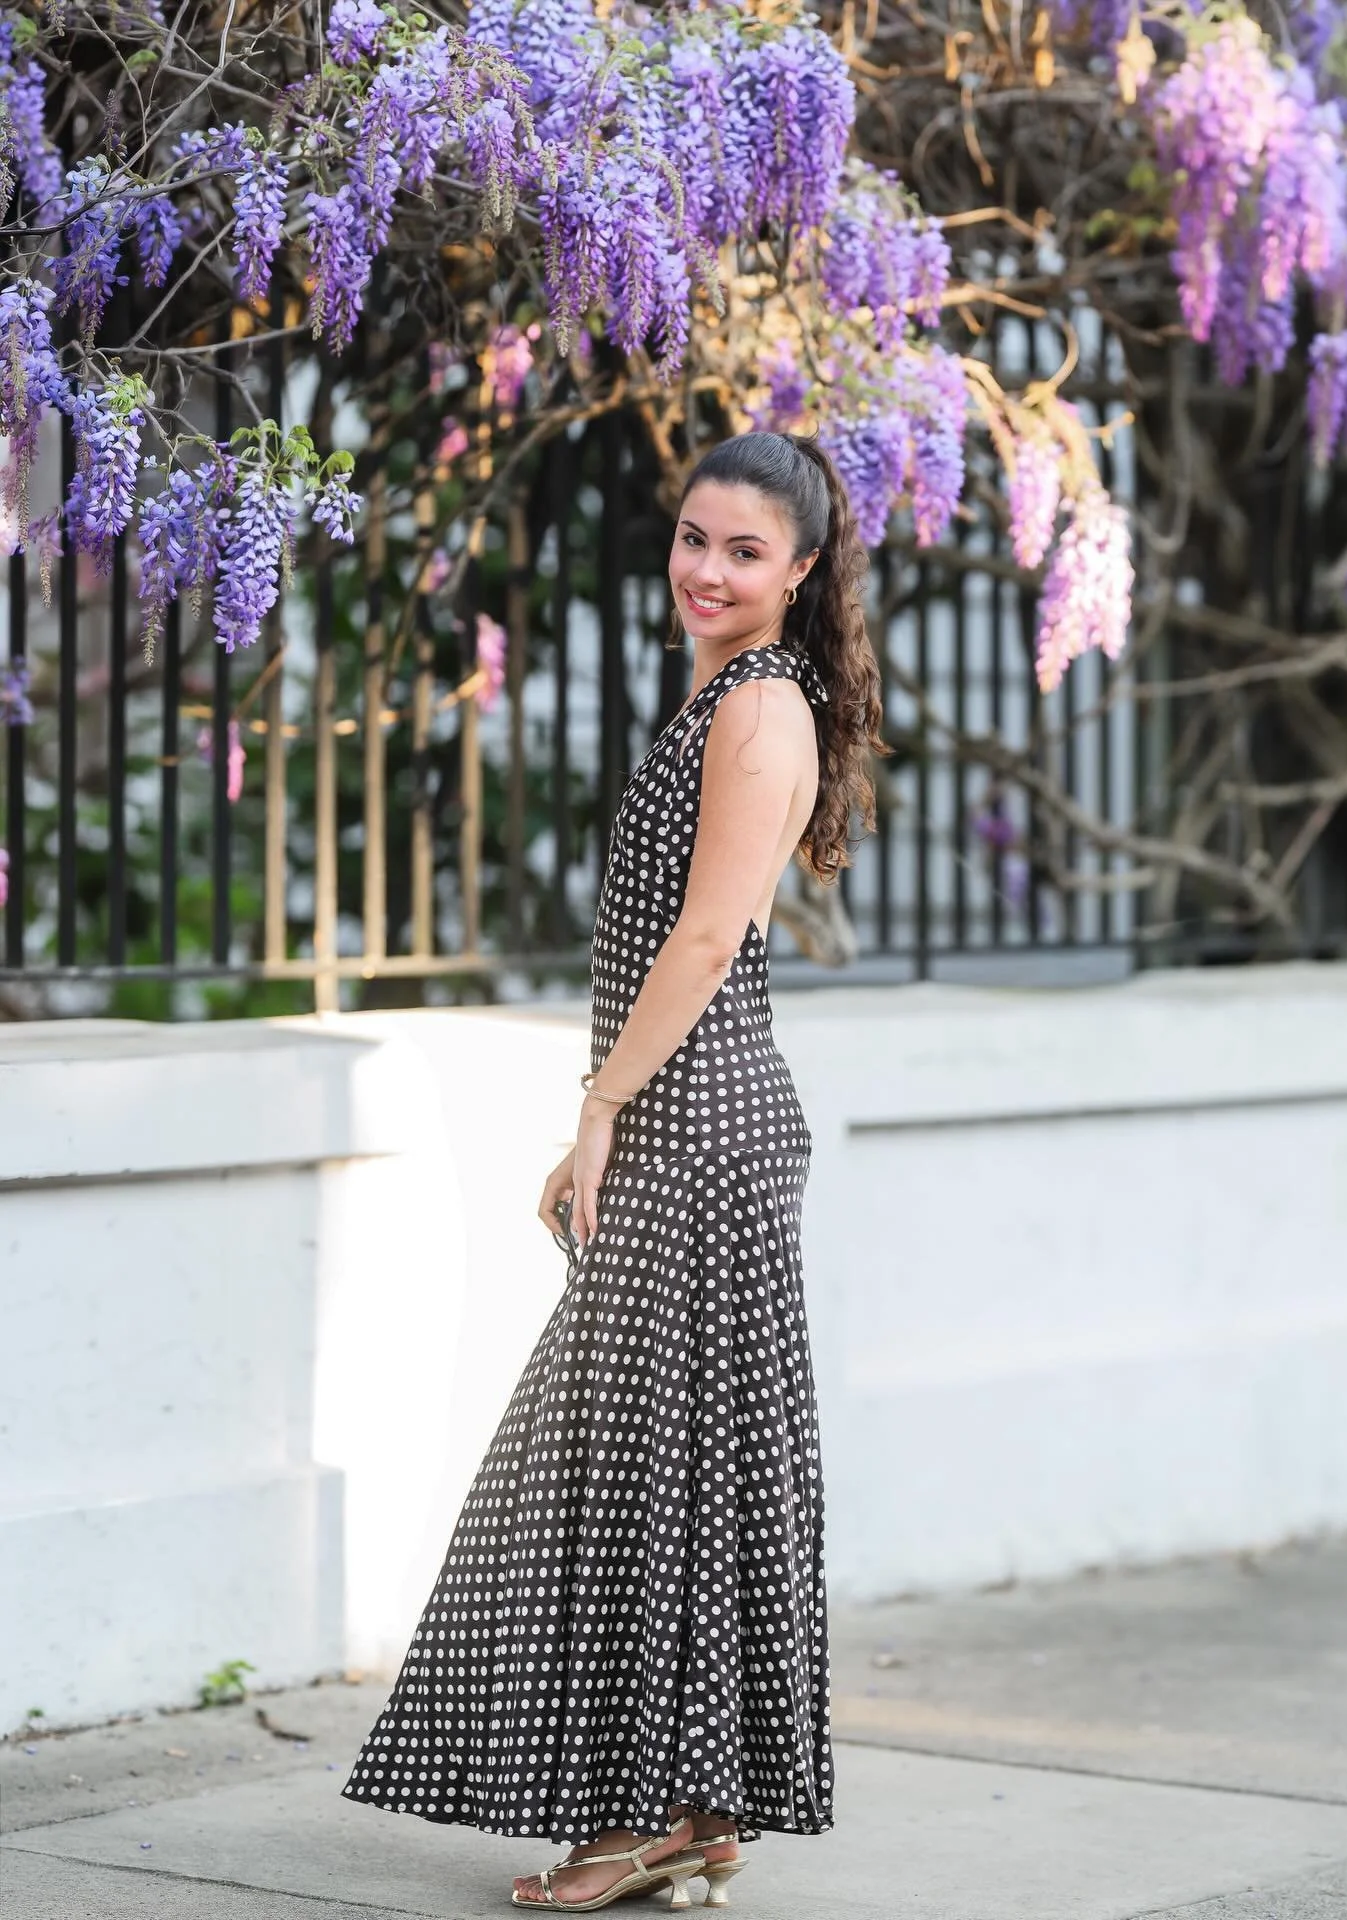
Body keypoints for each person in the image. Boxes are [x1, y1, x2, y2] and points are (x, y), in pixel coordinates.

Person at [340, 430, 887, 1912]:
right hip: (699, 1118)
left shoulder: (759, 708)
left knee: (638, 1470)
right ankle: (692, 1810)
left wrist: (597, 1109)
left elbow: (707, 943)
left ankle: (645, 1815)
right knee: (675, 1468)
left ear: (802, 569)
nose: (709, 570)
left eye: (746, 551)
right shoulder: (735, 693)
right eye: (695, 537)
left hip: (695, 1125)